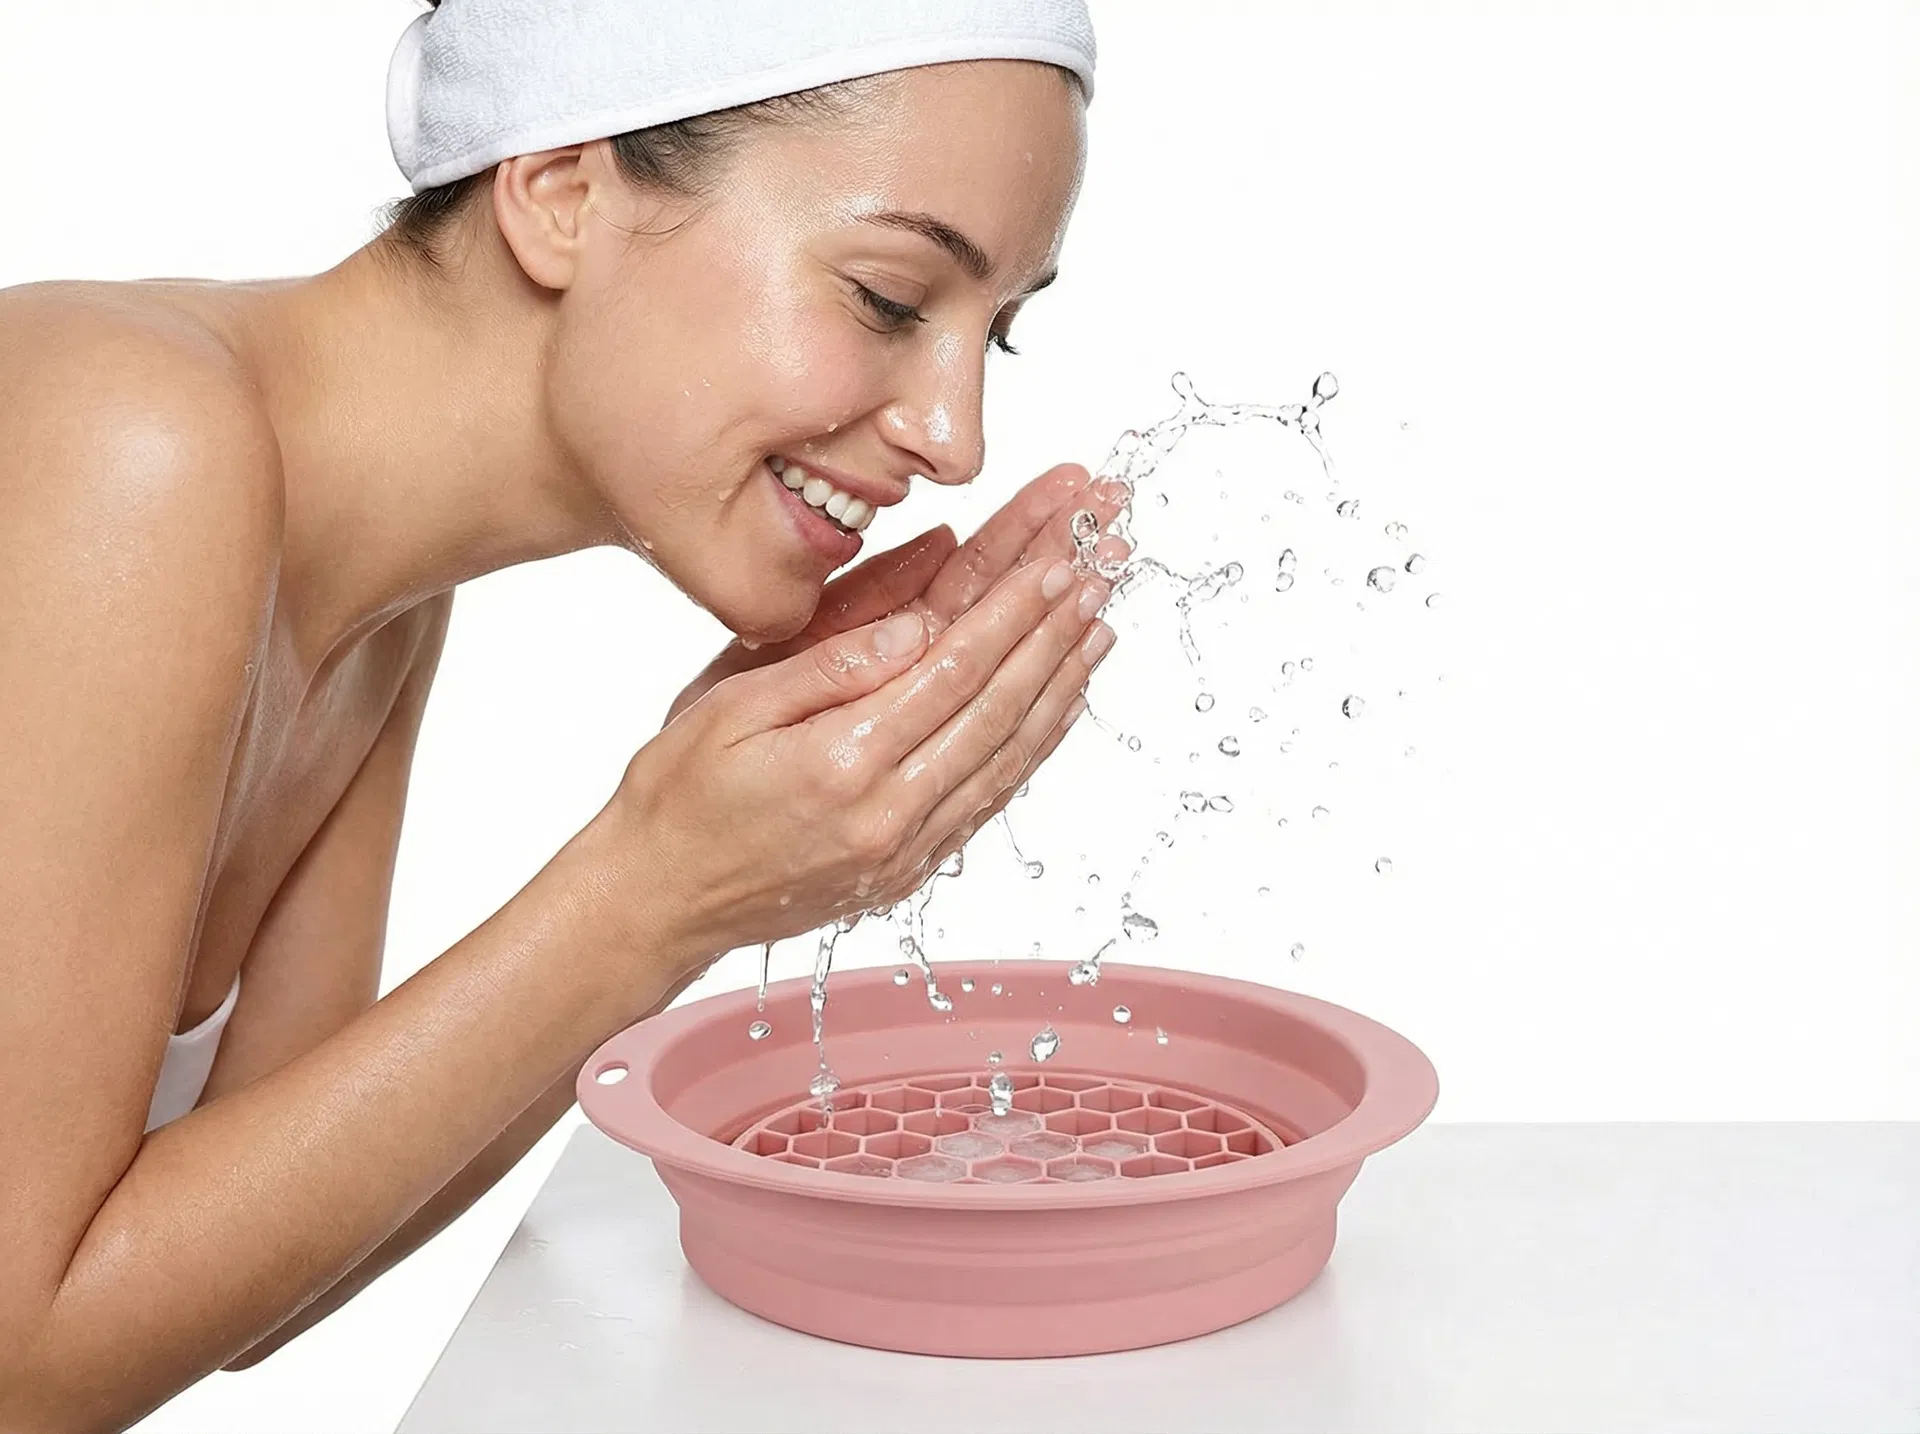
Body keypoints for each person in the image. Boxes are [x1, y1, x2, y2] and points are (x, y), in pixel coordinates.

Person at [0, 2, 1128, 1427]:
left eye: (997, 337)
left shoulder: (376, 593)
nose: (957, 436)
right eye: (891, 299)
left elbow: (243, 1281)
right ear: (559, 193)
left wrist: (702, 888)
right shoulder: (129, 439)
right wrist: (647, 887)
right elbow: (19, 1366)